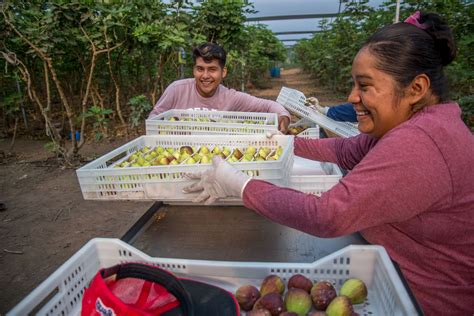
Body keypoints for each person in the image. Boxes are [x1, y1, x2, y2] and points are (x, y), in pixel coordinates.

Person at [183, 12, 474, 314]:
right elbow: (348, 151)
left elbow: (328, 215)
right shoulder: (414, 125)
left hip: (424, 303)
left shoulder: (421, 143)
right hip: (395, 277)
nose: (352, 97)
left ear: (416, 89)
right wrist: (287, 143)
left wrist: (239, 184)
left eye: (365, 86)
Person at [148, 43, 291, 133]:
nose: (205, 75)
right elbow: (154, 118)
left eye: (212, 69)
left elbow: (267, 106)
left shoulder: (230, 98)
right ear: (193, 70)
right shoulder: (177, 90)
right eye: (200, 69)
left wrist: (283, 117)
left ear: (223, 72)